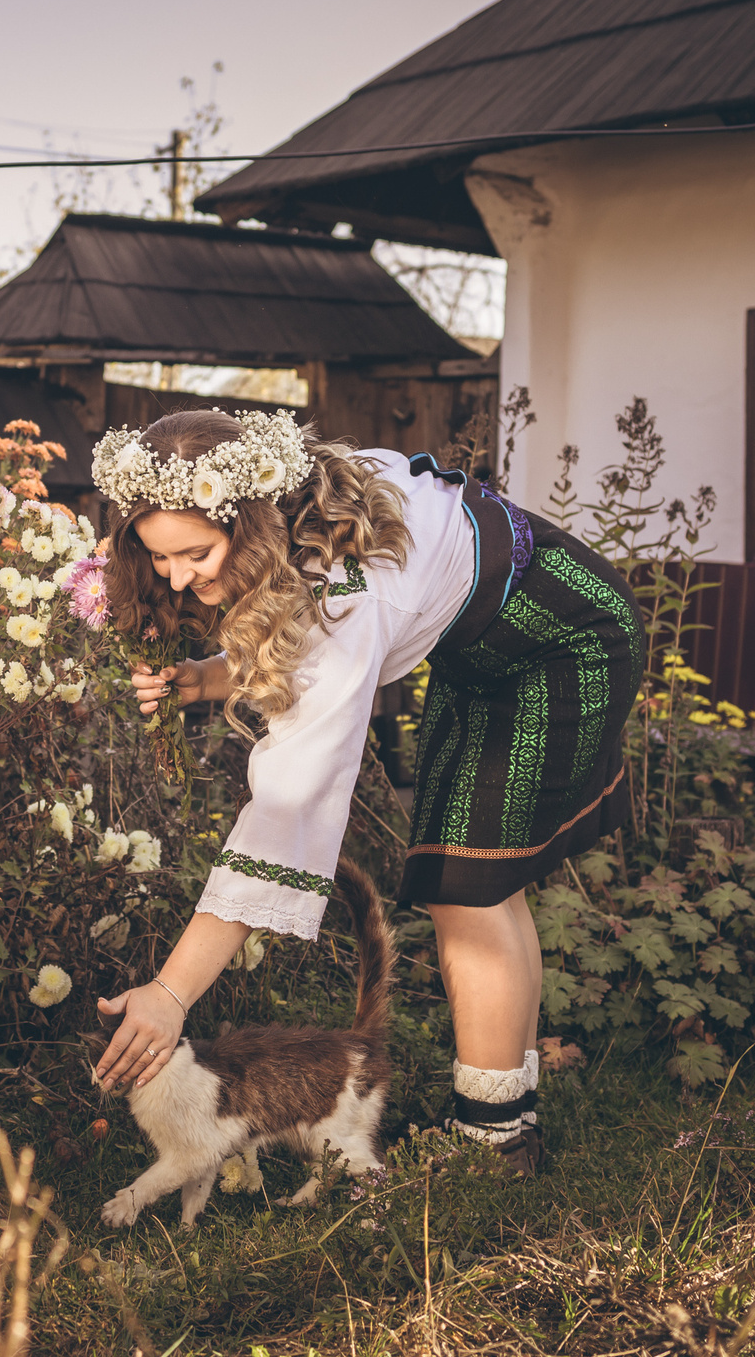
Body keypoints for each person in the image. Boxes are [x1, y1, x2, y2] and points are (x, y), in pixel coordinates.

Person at [89, 410, 642, 1175]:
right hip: (484, 654)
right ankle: (507, 1113)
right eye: (159, 558)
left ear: (252, 524)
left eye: (196, 554)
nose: (178, 579)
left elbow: (287, 807)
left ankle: (497, 1145)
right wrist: (208, 674)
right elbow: (282, 631)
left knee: (469, 888)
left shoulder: (349, 595)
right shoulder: (302, 502)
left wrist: (171, 993)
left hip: (564, 642)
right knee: (467, 878)